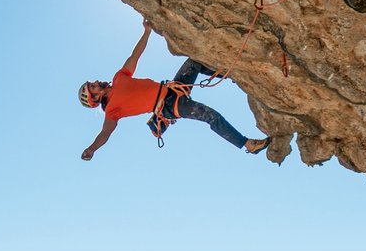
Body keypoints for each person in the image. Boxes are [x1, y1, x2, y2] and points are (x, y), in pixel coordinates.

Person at [78, 19, 270, 161]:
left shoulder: (119, 77)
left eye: (92, 82)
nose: (96, 82)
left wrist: (146, 32)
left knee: (194, 62)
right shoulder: (112, 110)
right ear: (95, 97)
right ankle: (247, 144)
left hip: (173, 87)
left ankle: (232, 74)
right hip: (170, 105)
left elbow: (135, 56)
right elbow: (105, 133)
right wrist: (92, 148)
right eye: (93, 86)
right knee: (211, 116)